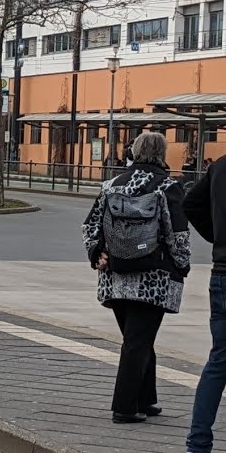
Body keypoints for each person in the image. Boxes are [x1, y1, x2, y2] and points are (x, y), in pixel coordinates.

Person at [82, 132, 191, 425]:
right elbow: (178, 234)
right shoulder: (168, 187)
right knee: (138, 341)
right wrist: (182, 266)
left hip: (115, 276)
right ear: (162, 154)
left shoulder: (111, 185)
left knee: (139, 338)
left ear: (134, 151)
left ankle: (146, 398)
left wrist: (96, 254)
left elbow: (91, 226)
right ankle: (125, 407)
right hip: (153, 279)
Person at [182, 157, 226, 453]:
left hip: (222, 273)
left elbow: (190, 203)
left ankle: (197, 450)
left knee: (218, 361)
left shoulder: (220, 166)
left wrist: (217, 235)